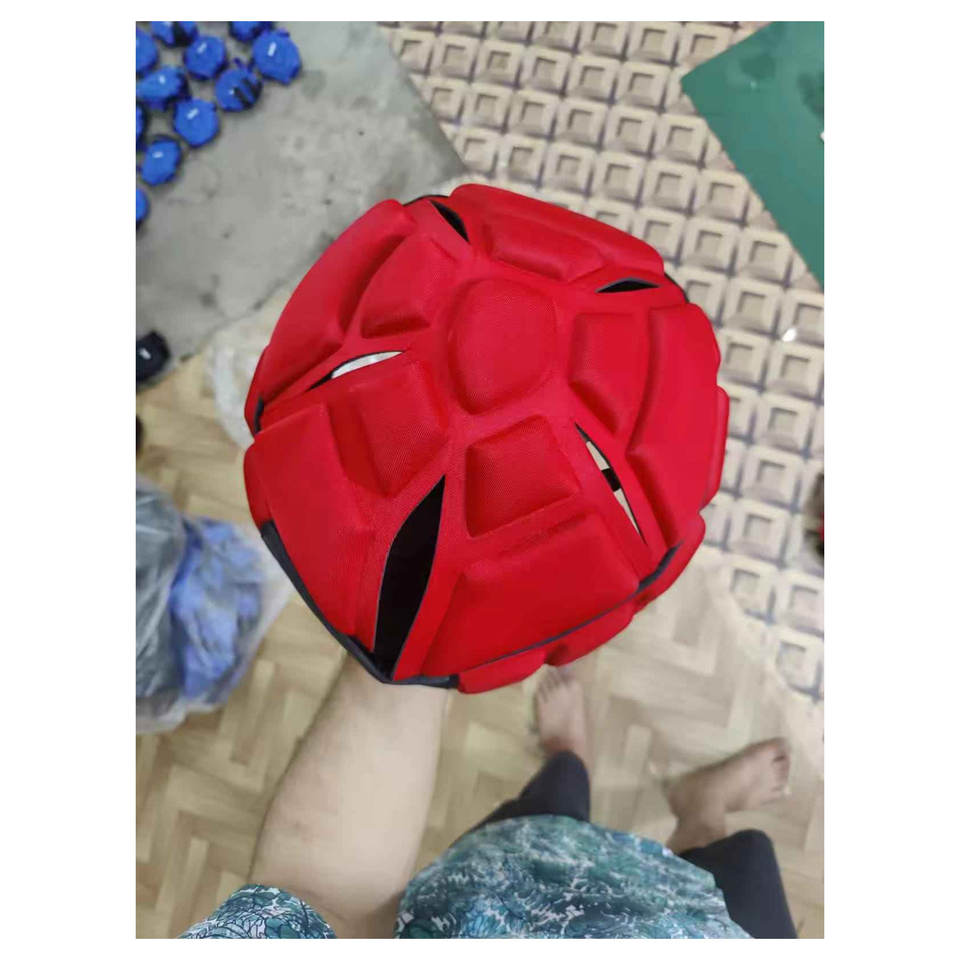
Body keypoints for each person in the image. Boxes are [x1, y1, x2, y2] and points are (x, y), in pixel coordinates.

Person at [181, 656, 796, 939]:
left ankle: (567, 754)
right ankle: (700, 810)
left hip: (510, 888)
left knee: (554, 803)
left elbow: (315, 899)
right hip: (719, 935)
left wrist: (422, 623)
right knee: (742, 860)